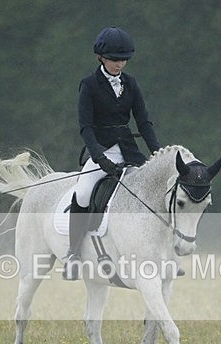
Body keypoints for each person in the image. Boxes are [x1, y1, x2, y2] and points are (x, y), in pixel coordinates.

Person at [64, 26, 162, 280]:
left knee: (154, 192)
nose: (120, 64)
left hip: (129, 150)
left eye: (124, 59)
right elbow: (85, 127)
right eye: (115, 60)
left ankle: (162, 253)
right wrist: (99, 158)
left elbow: (144, 122)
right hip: (101, 150)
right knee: (84, 192)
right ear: (101, 57)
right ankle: (73, 255)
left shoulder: (131, 83)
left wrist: (159, 155)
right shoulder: (88, 85)